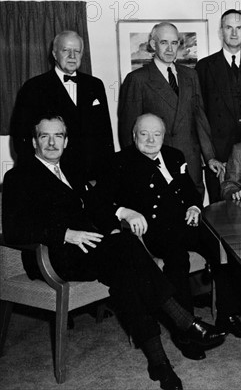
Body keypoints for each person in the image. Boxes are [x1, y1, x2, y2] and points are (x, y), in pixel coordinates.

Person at [2, 115, 225, 390]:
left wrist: (119, 217)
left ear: (66, 140)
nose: (51, 142)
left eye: (58, 136)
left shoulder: (71, 169)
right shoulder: (19, 176)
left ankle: (159, 363)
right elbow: (14, 230)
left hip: (91, 248)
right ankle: (183, 321)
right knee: (127, 249)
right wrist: (65, 234)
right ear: (34, 140)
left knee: (126, 275)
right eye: (45, 136)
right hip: (52, 254)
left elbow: (97, 205)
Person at [99, 113, 241, 343]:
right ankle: (187, 333)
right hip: (152, 230)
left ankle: (227, 315)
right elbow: (99, 201)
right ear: (134, 136)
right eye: (144, 134)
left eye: (157, 134)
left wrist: (194, 206)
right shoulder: (119, 162)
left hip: (185, 222)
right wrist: (124, 212)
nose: (151, 140)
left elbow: (190, 190)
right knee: (177, 256)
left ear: (164, 136)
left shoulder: (174, 155)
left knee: (223, 245)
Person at [118, 21, 220, 194]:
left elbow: (200, 119)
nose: (170, 49)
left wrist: (209, 156)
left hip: (190, 161)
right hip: (156, 162)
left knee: (193, 211)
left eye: (174, 43)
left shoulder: (190, 75)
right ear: (153, 44)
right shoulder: (137, 79)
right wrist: (137, 167)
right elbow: (128, 130)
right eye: (164, 42)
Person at [10, 30, 114, 183]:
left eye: (77, 51)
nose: (72, 56)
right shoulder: (34, 87)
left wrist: (106, 175)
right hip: (53, 176)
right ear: (54, 54)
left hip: (91, 176)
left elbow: (105, 134)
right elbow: (21, 137)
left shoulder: (95, 85)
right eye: (66, 50)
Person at [195, 9, 241, 202]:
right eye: (229, 28)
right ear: (221, 32)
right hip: (219, 157)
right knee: (222, 211)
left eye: (238, 28)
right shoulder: (205, 67)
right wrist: (210, 156)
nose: (234, 33)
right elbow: (199, 115)